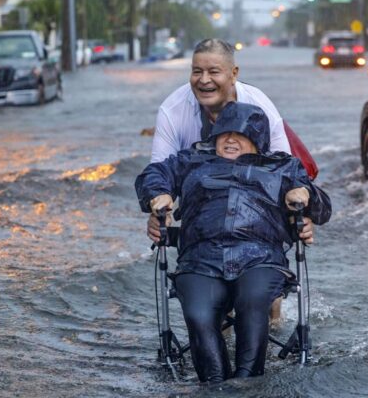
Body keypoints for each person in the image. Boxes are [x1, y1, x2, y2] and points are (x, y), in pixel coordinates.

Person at [135, 102, 332, 382]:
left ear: (258, 140)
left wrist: (305, 193)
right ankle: (215, 386)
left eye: (240, 135)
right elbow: (153, 174)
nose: (230, 140)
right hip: (200, 258)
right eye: (224, 133)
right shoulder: (191, 160)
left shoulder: (283, 167)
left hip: (260, 258)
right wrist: (158, 194)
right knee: (198, 313)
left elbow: (324, 210)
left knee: (252, 303)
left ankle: (246, 384)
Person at [147, 38, 317, 244]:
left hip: (256, 217)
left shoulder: (259, 106)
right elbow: (160, 171)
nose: (204, 80)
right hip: (202, 214)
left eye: (213, 72)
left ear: (234, 73)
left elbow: (285, 170)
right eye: (197, 71)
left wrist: (299, 214)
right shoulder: (173, 110)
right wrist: (158, 207)